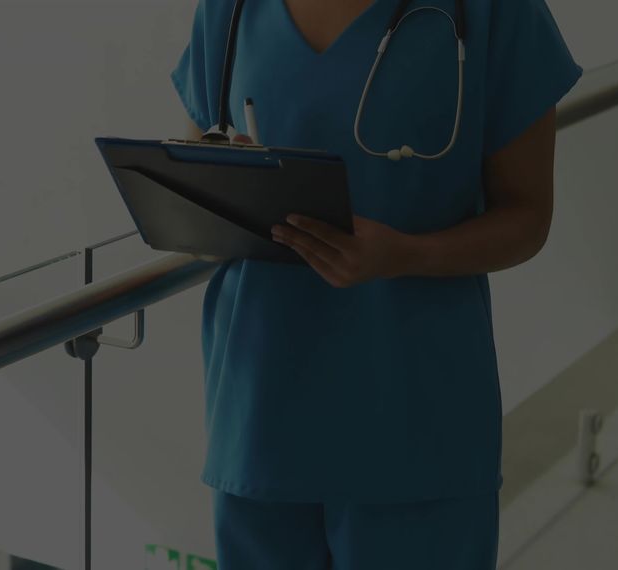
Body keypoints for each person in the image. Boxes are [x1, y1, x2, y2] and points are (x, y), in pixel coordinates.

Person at [169, 0, 582, 568]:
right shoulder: (231, 9)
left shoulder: (496, 11)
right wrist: (233, 186)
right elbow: (192, 199)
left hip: (414, 416)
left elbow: (527, 216)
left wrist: (409, 254)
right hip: (260, 409)